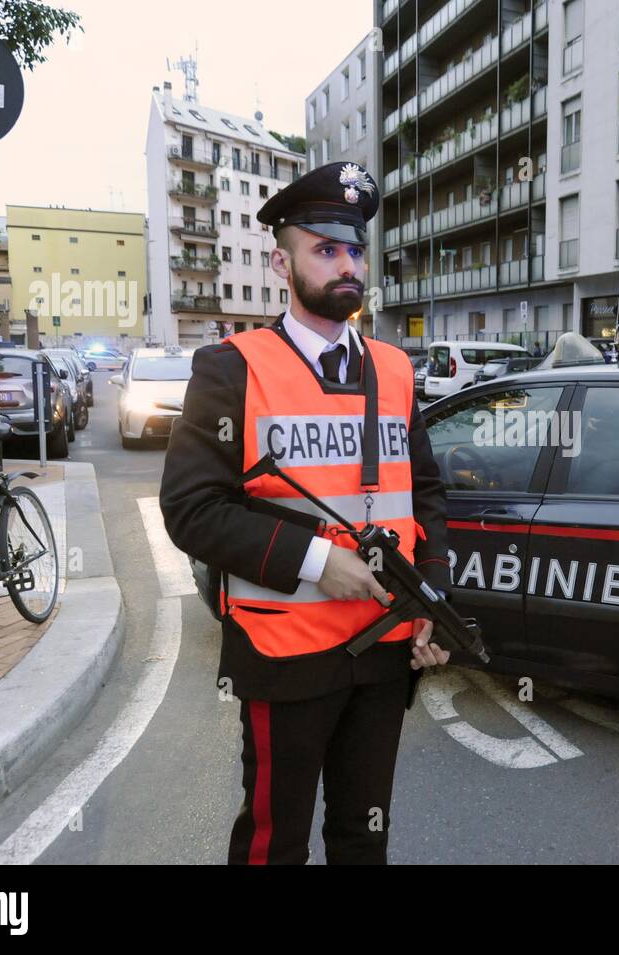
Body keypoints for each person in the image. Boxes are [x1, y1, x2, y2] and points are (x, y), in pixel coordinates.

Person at [159, 161, 454, 865]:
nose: (346, 263)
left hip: (383, 654)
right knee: (273, 841)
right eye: (325, 248)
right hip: (284, 655)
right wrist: (321, 563)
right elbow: (191, 509)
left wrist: (434, 602)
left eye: (354, 249)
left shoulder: (396, 368)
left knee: (364, 834)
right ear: (280, 262)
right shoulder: (232, 368)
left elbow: (428, 494)